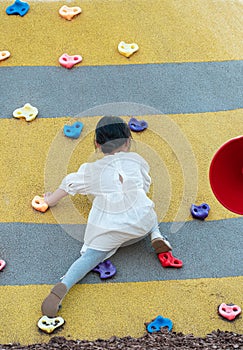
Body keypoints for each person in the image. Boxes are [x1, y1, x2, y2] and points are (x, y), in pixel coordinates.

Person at [41, 116, 172, 317]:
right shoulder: (138, 161)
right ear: (128, 141)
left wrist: (50, 201)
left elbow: (70, 184)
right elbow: (144, 186)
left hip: (110, 226)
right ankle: (156, 235)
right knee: (147, 208)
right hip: (141, 222)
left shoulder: (92, 170)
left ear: (97, 145)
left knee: (91, 256)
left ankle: (64, 284)